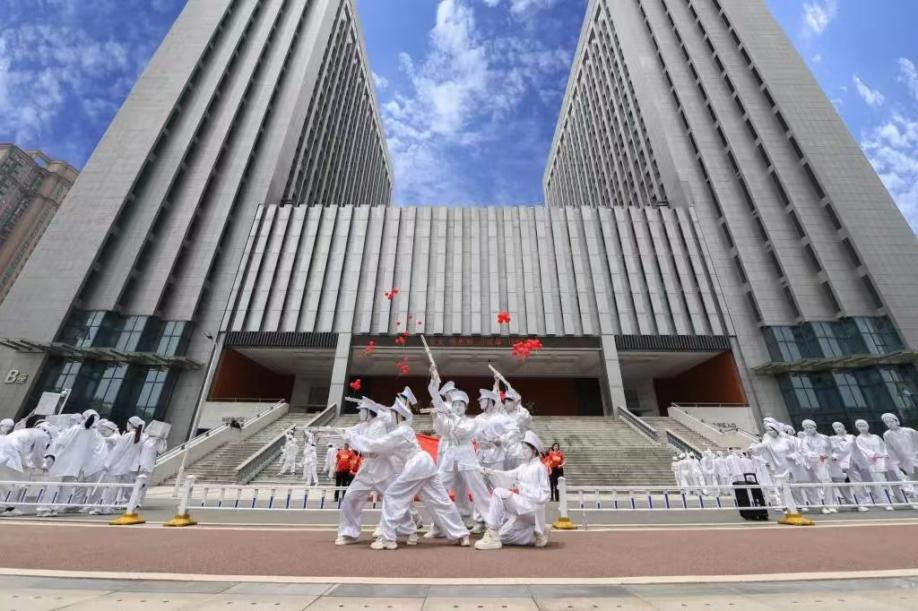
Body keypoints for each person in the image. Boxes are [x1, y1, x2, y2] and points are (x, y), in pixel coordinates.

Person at [346, 396, 470, 550]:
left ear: (398, 415)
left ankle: (387, 538)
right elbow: (382, 448)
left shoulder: (400, 432)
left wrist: (352, 438)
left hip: (416, 464)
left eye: (393, 413)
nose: (390, 416)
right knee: (441, 500)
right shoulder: (405, 430)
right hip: (425, 463)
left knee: (392, 496)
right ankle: (461, 534)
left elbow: (375, 445)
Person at [427, 375, 491, 532]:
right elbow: (441, 429)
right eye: (454, 404)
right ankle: (439, 524)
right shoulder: (448, 419)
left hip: (466, 456)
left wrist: (451, 418)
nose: (457, 407)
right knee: (439, 487)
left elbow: (463, 432)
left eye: (460, 405)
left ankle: (492, 522)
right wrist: (437, 414)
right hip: (449, 456)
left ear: (466, 407)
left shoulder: (471, 421)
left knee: (478, 490)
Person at [474, 430, 550, 550]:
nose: (523, 451)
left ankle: (492, 533)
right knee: (504, 536)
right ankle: (534, 533)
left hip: (533, 509)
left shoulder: (540, 467)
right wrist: (490, 472)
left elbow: (545, 495)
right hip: (522, 506)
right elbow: (508, 475)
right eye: (522, 448)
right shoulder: (523, 467)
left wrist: (522, 486)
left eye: (525, 449)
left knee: (498, 493)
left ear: (534, 450)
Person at [38, 410, 106, 517]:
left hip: (61, 461)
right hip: (75, 465)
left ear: (83, 418)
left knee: (53, 486)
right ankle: (57, 509)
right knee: (67, 487)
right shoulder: (94, 434)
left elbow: (60, 441)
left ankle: (44, 508)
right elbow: (93, 451)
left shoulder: (75, 429)